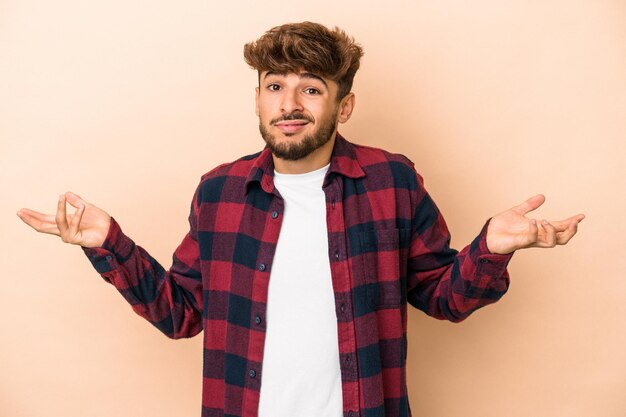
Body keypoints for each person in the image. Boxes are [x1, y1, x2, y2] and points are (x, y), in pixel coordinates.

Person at [17, 21, 584, 417]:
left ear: (344, 106)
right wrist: (108, 244)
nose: (290, 104)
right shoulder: (220, 192)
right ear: (259, 99)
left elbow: (443, 298)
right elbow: (183, 314)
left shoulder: (392, 181)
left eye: (311, 89)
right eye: (275, 87)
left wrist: (493, 247)